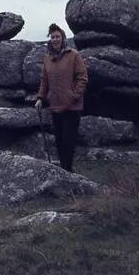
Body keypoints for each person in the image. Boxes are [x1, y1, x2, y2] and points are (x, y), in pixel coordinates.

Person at [35, 23, 88, 172]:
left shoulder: (74, 55)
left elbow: (82, 77)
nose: (55, 39)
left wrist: (74, 95)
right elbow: (44, 81)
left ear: (63, 37)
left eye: (57, 36)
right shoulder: (47, 59)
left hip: (71, 106)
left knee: (68, 141)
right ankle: (64, 171)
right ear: (50, 39)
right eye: (53, 37)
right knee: (59, 141)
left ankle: (67, 171)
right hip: (55, 105)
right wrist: (40, 98)